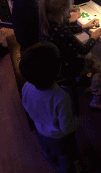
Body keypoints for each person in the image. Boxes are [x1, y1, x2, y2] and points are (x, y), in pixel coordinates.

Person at [39, 0, 101, 111]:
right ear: (63, 9)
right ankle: (97, 99)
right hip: (65, 68)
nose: (72, 7)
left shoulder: (47, 20)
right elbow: (83, 50)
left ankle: (80, 79)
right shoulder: (61, 30)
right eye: (70, 5)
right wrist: (94, 37)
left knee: (80, 54)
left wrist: (84, 26)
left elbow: (64, 29)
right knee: (96, 64)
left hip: (52, 64)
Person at [19, 41, 79, 173]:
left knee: (47, 151)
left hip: (40, 130)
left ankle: (52, 163)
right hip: (59, 138)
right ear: (57, 70)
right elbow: (66, 127)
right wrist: (76, 121)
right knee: (65, 157)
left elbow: (26, 106)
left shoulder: (26, 86)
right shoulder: (61, 97)